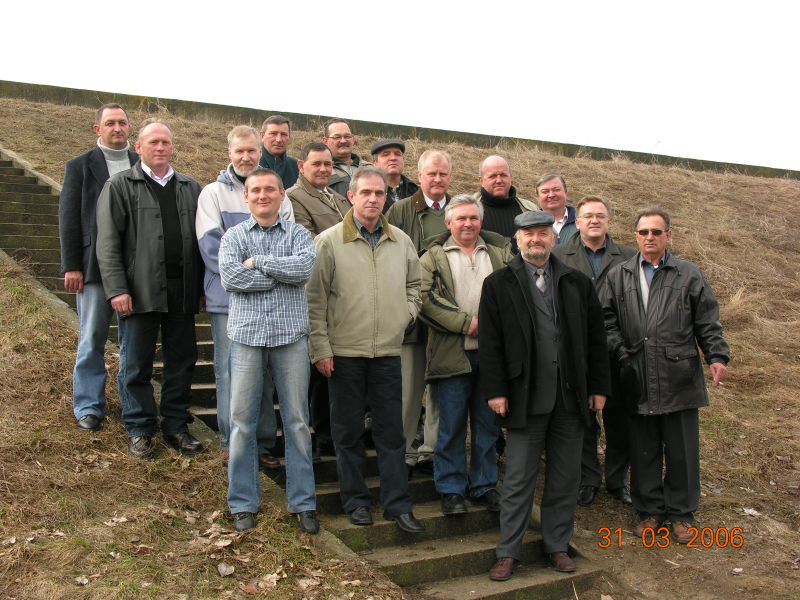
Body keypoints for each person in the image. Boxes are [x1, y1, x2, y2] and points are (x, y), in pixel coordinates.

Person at [480, 211, 610, 581]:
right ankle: (508, 551)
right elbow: (490, 343)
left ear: (553, 238)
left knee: (565, 478)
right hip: (525, 397)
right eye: (529, 234)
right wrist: (496, 390)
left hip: (570, 397)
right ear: (518, 240)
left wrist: (598, 387)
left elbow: (596, 340)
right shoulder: (498, 283)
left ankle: (557, 546)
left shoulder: (576, 282)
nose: (536, 239)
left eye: (542, 233)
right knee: (518, 479)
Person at [307, 165, 425, 534]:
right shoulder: (328, 242)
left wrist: (404, 316)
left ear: (386, 198)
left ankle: (397, 504)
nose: (373, 199)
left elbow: (415, 286)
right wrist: (320, 348)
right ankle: (356, 501)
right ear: (351, 196)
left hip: (387, 353)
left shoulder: (400, 241)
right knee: (348, 434)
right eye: (366, 193)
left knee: (392, 434)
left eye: (379, 193)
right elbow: (314, 300)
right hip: (343, 354)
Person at [602, 206, 729, 543]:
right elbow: (605, 319)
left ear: (668, 235)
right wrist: (621, 351)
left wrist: (716, 356)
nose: (650, 238)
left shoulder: (688, 273)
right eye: (643, 232)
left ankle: (681, 514)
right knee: (643, 448)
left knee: (681, 451)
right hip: (637, 375)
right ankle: (649, 511)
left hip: (679, 376)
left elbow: (707, 319)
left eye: (656, 232)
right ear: (635, 236)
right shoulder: (619, 275)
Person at [96, 119, 205, 459]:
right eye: (153, 142)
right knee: (136, 364)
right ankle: (140, 428)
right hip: (138, 291)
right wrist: (117, 289)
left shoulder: (190, 187)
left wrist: (202, 288)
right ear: (138, 147)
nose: (160, 147)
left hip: (182, 291)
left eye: (165, 142)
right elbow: (107, 243)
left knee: (182, 361)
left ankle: (176, 426)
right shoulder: (120, 185)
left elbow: (201, 241)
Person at [219, 168, 317, 533]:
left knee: (297, 422)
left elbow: (303, 270)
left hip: (290, 338)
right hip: (246, 337)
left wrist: (259, 262)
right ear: (246, 196)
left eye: (270, 190)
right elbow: (231, 278)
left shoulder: (299, 234)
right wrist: (279, 275)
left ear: (281, 194)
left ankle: (303, 502)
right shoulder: (233, 236)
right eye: (256, 190)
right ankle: (243, 503)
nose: (263, 195)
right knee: (242, 423)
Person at [196, 125, 294, 466]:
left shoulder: (278, 193)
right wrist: (260, 273)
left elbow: (287, 247)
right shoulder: (212, 194)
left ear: (259, 152)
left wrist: (257, 269)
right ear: (229, 153)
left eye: (252, 150)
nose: (246, 157)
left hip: (271, 302)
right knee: (230, 372)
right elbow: (213, 250)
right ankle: (231, 442)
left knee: (263, 374)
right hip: (228, 301)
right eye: (239, 151)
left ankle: (263, 444)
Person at [418, 194, 512, 515]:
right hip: (452, 354)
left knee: (487, 427)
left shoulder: (499, 253)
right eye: (461, 218)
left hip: (492, 356)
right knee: (452, 426)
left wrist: (492, 324)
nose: (468, 223)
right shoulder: (433, 256)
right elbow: (424, 298)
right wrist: (465, 323)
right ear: (448, 223)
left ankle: (484, 486)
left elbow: (513, 293)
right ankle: (451, 489)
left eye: (473, 218)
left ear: (481, 221)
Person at [552, 196, 637, 507]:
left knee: (619, 419)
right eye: (588, 215)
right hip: (577, 350)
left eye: (600, 215)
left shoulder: (629, 257)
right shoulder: (559, 255)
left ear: (609, 221)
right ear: (577, 221)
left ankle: (617, 480)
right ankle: (587, 479)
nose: (594, 220)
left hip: (617, 349)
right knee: (583, 418)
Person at [59, 103, 138, 432]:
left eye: (122, 122)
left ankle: (131, 404)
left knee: (133, 341)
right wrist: (72, 265)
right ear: (98, 129)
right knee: (91, 338)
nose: (117, 128)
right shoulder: (80, 166)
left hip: (135, 269)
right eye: (110, 123)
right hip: (92, 268)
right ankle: (89, 406)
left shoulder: (142, 163)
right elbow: (69, 216)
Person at [387, 149, 453, 476]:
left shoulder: (460, 210)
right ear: (420, 175)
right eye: (431, 174)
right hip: (411, 316)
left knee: (440, 390)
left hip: (447, 318)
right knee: (408, 391)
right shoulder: (400, 210)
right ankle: (404, 454)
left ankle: (432, 451)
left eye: (443, 174)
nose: (437, 179)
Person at [287, 142, 351, 237]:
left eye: (327, 164)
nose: (323, 169)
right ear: (301, 166)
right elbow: (305, 239)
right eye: (316, 164)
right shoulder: (292, 197)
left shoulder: (339, 198)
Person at [473, 155, 537, 238]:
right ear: (481, 181)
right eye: (492, 176)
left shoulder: (530, 210)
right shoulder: (468, 210)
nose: (499, 180)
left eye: (503, 175)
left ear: (510, 177)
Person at [322, 119, 370, 197]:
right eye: (337, 137)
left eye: (347, 136)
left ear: (353, 139)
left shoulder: (370, 168)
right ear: (325, 141)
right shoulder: (321, 170)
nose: (343, 141)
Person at [370, 138, 418, 213]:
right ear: (375, 163)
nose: (393, 158)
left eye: (397, 154)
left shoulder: (416, 191)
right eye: (386, 154)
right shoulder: (367, 193)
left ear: (403, 160)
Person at [258, 115, 299, 188]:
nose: (279, 139)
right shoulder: (252, 165)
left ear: (289, 138)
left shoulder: (296, 167)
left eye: (284, 134)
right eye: (273, 133)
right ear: (262, 136)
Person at [536, 173, 576, 243]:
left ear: (565, 192)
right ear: (538, 197)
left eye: (556, 190)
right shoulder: (529, 224)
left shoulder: (583, 219)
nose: (551, 195)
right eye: (545, 192)